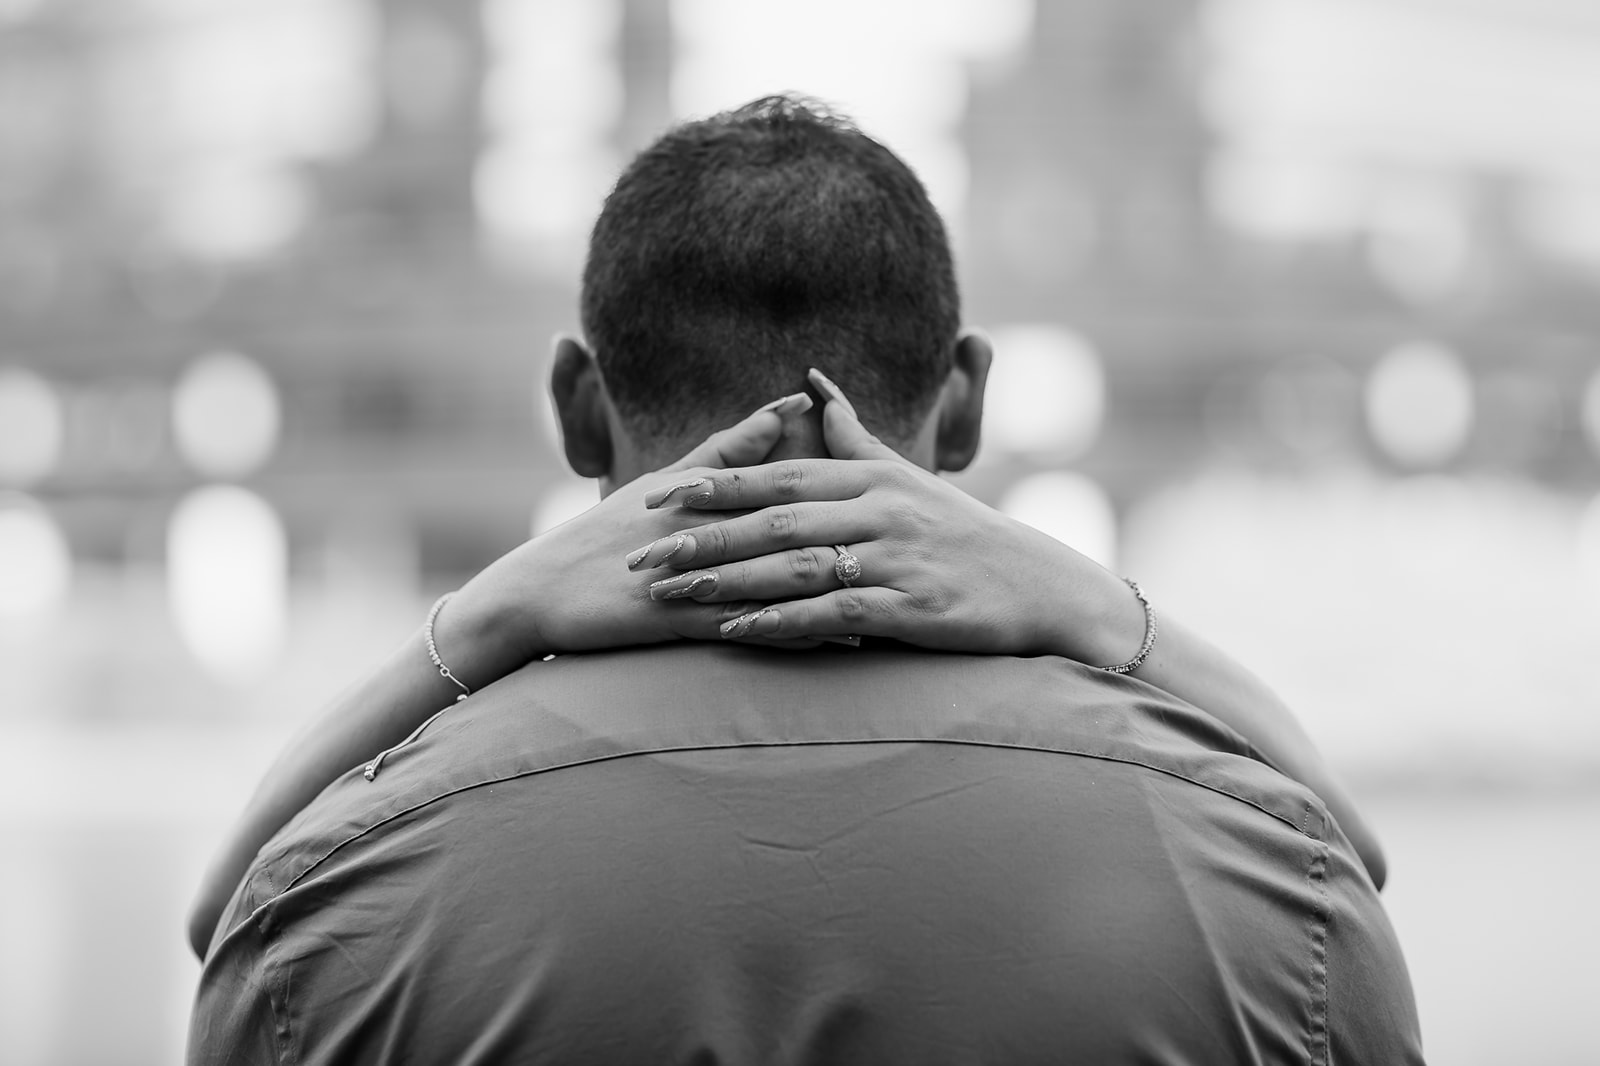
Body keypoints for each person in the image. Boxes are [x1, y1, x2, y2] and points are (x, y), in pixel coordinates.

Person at [188, 96, 1424, 1064]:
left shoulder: (339, 900)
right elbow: (1349, 866)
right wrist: (1095, 606)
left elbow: (230, 918)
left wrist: (483, 620)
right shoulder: (1267, 880)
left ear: (576, 406)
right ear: (963, 406)